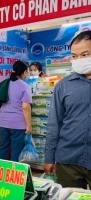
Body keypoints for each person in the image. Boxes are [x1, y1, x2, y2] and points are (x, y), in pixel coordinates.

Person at [44, 30, 91, 188]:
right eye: (74, 56)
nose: (79, 60)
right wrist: (49, 157)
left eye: (84, 55)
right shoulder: (63, 86)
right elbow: (54, 123)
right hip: (68, 161)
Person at [0, 60, 32, 162]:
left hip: (3, 122)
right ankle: (14, 175)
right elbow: (26, 107)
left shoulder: (4, 83)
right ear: (24, 72)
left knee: (3, 148)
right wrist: (29, 125)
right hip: (17, 124)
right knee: (16, 150)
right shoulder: (25, 86)